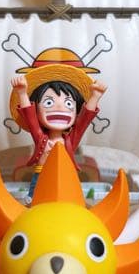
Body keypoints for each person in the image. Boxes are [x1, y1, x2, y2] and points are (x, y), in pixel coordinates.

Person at [10, 64, 106, 201]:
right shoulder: (41, 137)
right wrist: (22, 93)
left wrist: (95, 96)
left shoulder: (70, 140)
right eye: (49, 103)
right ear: (37, 111)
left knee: (67, 200)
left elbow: (84, 122)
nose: (60, 108)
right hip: (41, 175)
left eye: (68, 104)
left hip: (65, 176)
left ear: (76, 112)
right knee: (36, 200)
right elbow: (30, 119)